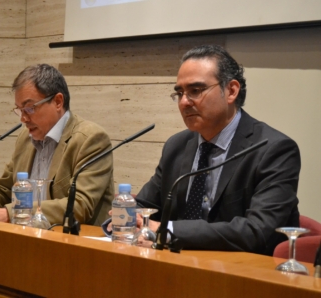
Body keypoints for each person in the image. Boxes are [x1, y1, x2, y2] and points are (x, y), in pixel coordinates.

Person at [106, 45, 300, 255]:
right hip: (177, 265)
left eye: (195, 91)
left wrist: (168, 230)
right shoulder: (177, 146)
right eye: (179, 93)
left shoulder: (274, 149)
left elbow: (258, 231)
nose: (184, 102)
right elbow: (146, 203)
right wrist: (126, 218)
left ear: (231, 91)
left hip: (240, 274)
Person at [0, 64, 114, 226]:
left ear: (57, 101)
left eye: (29, 108)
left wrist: (11, 213)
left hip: (74, 244)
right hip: (27, 238)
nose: (23, 119)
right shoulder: (26, 138)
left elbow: (79, 206)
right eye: (20, 110)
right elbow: (3, 190)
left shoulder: (90, 139)